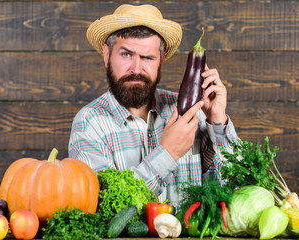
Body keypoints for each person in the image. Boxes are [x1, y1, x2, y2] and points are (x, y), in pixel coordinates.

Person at [68, 4, 239, 207]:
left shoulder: (193, 112)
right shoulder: (89, 124)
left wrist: (217, 120)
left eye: (148, 57)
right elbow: (101, 208)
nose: (136, 69)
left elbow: (237, 190)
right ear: (107, 55)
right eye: (126, 54)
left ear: (161, 59)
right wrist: (167, 153)